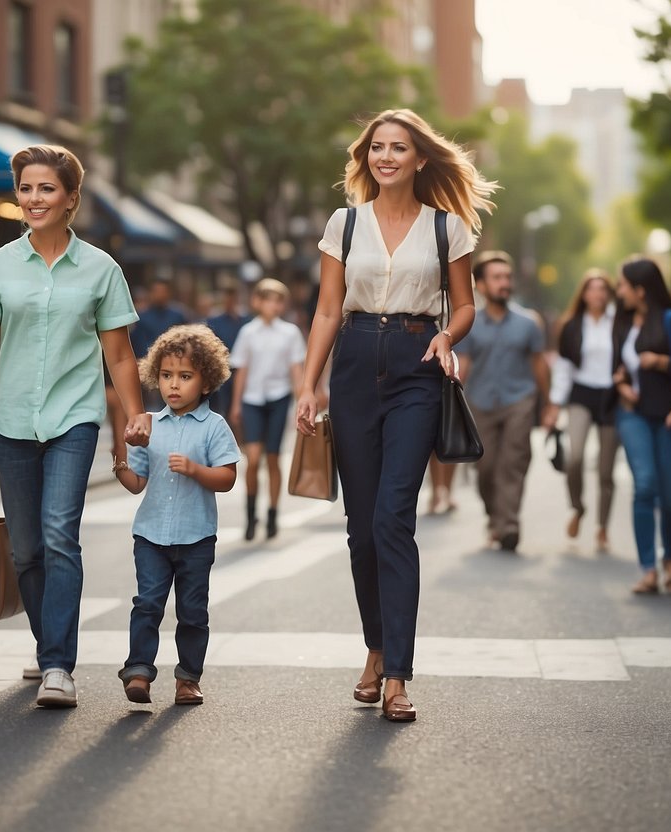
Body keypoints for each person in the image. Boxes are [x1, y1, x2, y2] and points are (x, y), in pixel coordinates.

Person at [296, 108, 497, 722]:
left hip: (416, 365)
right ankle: (376, 650)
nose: (386, 156)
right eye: (377, 147)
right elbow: (328, 310)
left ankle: (399, 677)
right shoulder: (344, 224)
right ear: (367, 157)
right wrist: (310, 385)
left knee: (392, 519)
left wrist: (446, 340)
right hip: (355, 364)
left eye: (399, 148)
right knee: (361, 530)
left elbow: (463, 306)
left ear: (419, 159)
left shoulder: (447, 229)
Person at [0, 144, 152, 709]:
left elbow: (118, 355)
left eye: (46, 188)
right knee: (25, 551)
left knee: (58, 535)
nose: (34, 198)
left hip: (74, 417)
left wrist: (132, 416)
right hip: (13, 420)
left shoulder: (101, 269)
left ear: (71, 198)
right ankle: (49, 643)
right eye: (26, 188)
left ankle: (58, 666)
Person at [113, 324, 240, 706]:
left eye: (185, 376)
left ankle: (188, 678)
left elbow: (228, 478)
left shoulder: (214, 427)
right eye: (166, 375)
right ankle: (138, 671)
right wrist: (120, 459)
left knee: (192, 611)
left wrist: (197, 470)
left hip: (196, 537)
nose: (173, 385)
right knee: (147, 603)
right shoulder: (148, 424)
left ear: (205, 382)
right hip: (150, 535)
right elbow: (137, 483)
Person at [456, 251, 558, 552]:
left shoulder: (529, 323)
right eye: (497, 278)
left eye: (507, 277)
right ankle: (495, 517)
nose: (504, 283)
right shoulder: (469, 324)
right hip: (480, 402)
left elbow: (539, 365)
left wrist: (550, 403)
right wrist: (452, 405)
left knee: (512, 464)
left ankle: (509, 524)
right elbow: (463, 365)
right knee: (486, 469)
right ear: (481, 286)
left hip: (519, 401)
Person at [612, 257, 671, 594]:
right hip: (632, 414)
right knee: (645, 485)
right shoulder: (621, 322)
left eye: (623, 285)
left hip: (668, 416)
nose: (619, 292)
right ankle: (648, 568)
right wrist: (621, 384)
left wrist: (660, 361)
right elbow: (614, 367)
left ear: (640, 290)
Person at [229, 278, 306, 540]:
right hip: (252, 400)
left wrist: (301, 401)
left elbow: (297, 371)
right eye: (268, 299)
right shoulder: (248, 332)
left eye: (278, 300)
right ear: (257, 302)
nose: (273, 305)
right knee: (252, 459)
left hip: (279, 398)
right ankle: (251, 516)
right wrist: (236, 404)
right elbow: (242, 370)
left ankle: (273, 513)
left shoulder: (290, 333)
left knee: (273, 458)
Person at [551, 269, 619, 551]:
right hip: (581, 394)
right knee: (575, 457)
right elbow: (564, 367)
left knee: (606, 470)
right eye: (592, 289)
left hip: (611, 397)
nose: (598, 294)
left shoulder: (619, 323)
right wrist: (555, 404)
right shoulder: (572, 325)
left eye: (603, 289)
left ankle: (602, 526)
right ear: (584, 294)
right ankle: (577, 508)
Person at [130, 278, 187, 409]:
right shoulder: (142, 318)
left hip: (175, 368)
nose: (160, 294)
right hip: (149, 369)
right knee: (153, 408)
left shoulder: (177, 315)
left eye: (163, 291)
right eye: (157, 291)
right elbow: (137, 344)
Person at [205, 280, 248, 426]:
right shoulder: (214, 320)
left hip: (242, 370)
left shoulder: (245, 320)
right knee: (222, 407)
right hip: (222, 370)